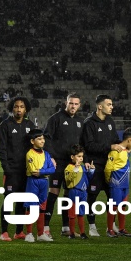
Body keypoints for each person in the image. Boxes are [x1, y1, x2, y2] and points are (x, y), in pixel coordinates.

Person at [80, 94, 122, 237]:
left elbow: (116, 139)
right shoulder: (89, 123)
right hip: (96, 166)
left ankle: (111, 225)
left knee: (112, 196)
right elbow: (89, 146)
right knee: (92, 196)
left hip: (110, 166)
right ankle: (92, 225)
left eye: (111, 104)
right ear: (100, 106)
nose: (112, 107)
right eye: (109, 104)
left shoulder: (110, 121)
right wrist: (110, 146)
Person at [43, 93, 83, 237]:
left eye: (76, 104)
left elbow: (82, 143)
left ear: (79, 105)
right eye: (71, 103)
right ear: (66, 103)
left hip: (72, 164)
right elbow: (46, 138)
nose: (73, 106)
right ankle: (45, 227)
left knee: (68, 194)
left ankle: (66, 227)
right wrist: (52, 157)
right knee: (54, 193)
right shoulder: (55, 119)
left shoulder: (80, 121)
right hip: (58, 163)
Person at [0, 96, 35, 241]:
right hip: (11, 170)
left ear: (26, 109)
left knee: (22, 201)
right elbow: (2, 149)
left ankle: (19, 231)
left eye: (22, 107)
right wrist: (6, 168)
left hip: (25, 171)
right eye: (16, 106)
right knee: (9, 200)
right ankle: (4, 232)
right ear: (12, 108)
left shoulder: (30, 125)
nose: (19, 109)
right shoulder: (5, 125)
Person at [104, 128, 131, 238]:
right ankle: (110, 229)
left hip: (125, 184)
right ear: (129, 140)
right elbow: (108, 167)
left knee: (123, 206)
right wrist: (108, 179)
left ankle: (122, 229)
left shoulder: (126, 151)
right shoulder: (115, 151)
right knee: (113, 206)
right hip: (116, 183)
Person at [24, 129, 56, 243]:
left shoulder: (46, 154)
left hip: (44, 181)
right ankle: (29, 234)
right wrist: (46, 170)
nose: (43, 141)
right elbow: (33, 171)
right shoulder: (30, 154)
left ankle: (40, 233)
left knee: (42, 207)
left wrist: (42, 172)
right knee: (32, 207)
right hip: (33, 181)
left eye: (43, 139)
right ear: (32, 141)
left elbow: (53, 169)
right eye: (39, 139)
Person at [64, 145, 94, 240]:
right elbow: (68, 180)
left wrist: (92, 170)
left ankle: (82, 233)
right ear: (72, 157)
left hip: (83, 192)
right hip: (74, 191)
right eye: (78, 156)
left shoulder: (83, 167)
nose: (81, 159)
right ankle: (72, 233)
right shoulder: (69, 168)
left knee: (81, 213)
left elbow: (88, 179)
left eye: (82, 156)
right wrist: (75, 169)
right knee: (72, 214)